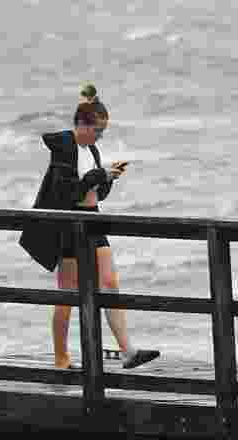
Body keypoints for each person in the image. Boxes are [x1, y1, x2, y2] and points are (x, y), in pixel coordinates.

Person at [20, 83, 159, 370]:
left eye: (102, 132)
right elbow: (67, 192)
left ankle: (127, 351)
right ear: (82, 124)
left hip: (93, 221)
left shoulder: (91, 149)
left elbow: (94, 192)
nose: (99, 136)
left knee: (110, 283)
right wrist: (98, 174)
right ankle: (61, 358)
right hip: (69, 225)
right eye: (97, 130)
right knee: (67, 294)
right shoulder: (65, 148)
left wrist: (108, 179)